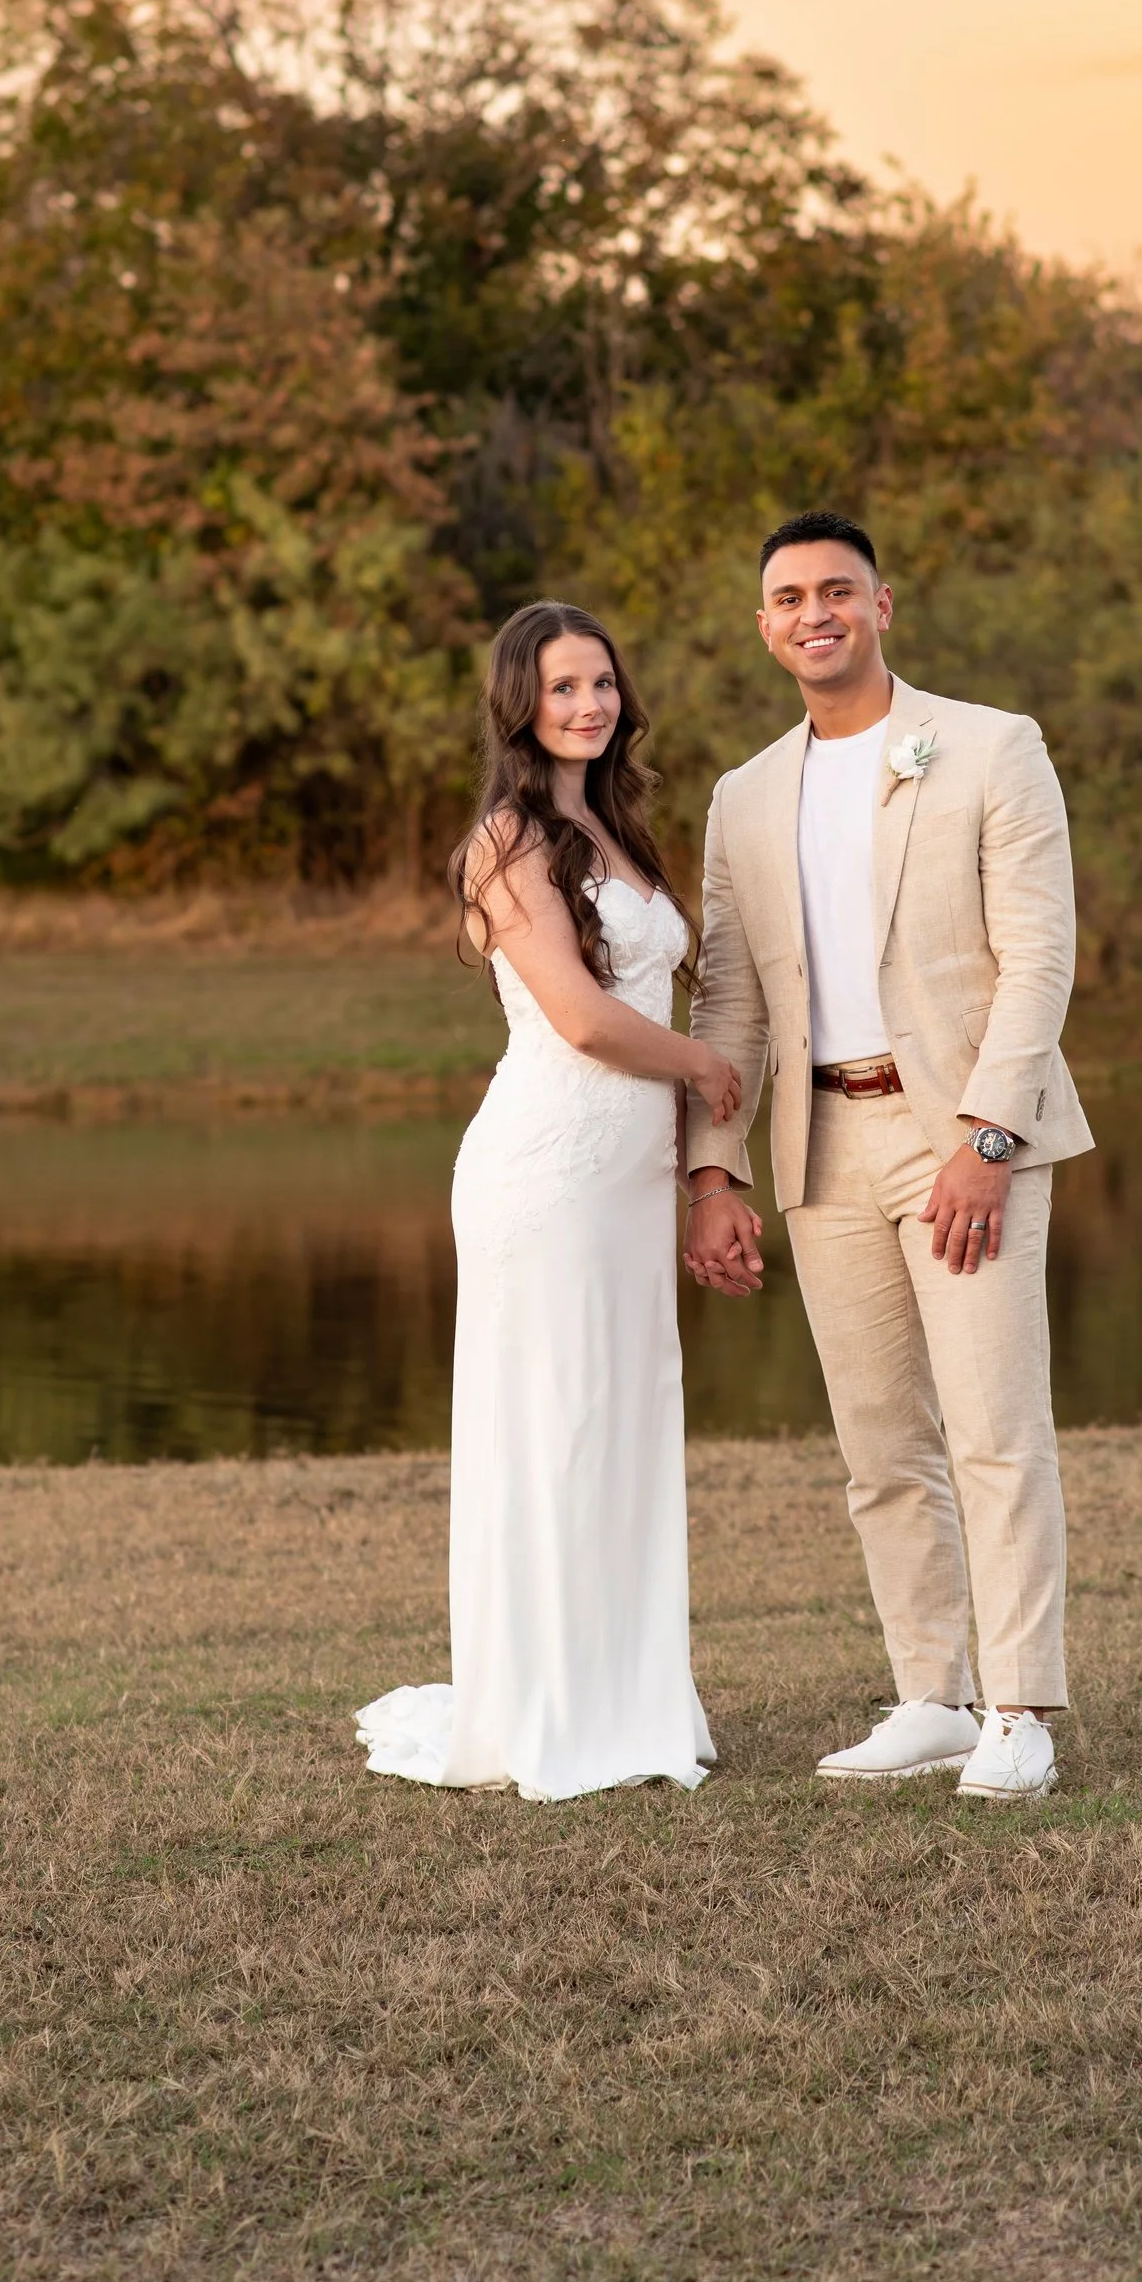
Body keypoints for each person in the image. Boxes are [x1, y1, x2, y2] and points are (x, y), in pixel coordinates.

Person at [682, 511, 1092, 1799]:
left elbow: (1039, 957)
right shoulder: (743, 796)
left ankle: (1019, 1706)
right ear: (764, 625)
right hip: (821, 1141)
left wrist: (987, 1135)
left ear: (881, 605)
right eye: (789, 597)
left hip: (962, 1134)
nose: (815, 613)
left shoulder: (989, 745)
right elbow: (729, 1005)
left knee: (993, 1427)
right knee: (877, 1444)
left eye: (837, 592)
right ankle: (930, 1694)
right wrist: (714, 1168)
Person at [356, 601, 738, 1801]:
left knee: (623, 1422)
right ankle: (548, 1709)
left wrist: (691, 1163)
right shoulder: (505, 839)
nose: (589, 705)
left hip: (625, 1180)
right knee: (557, 1427)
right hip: (548, 1169)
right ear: (519, 703)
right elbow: (577, 1017)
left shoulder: (618, 827)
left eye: (603, 684)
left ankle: (627, 1699)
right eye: (564, 687)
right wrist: (703, 1067)